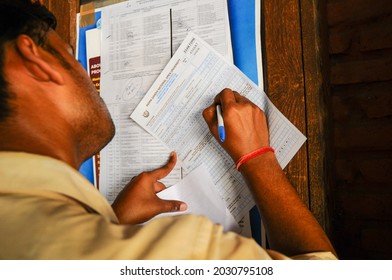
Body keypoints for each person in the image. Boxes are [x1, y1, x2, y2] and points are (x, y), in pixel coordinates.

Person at [0, 0, 336, 259]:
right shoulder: (180, 250)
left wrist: (112, 223)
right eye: (71, 56)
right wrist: (257, 156)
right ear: (36, 60)